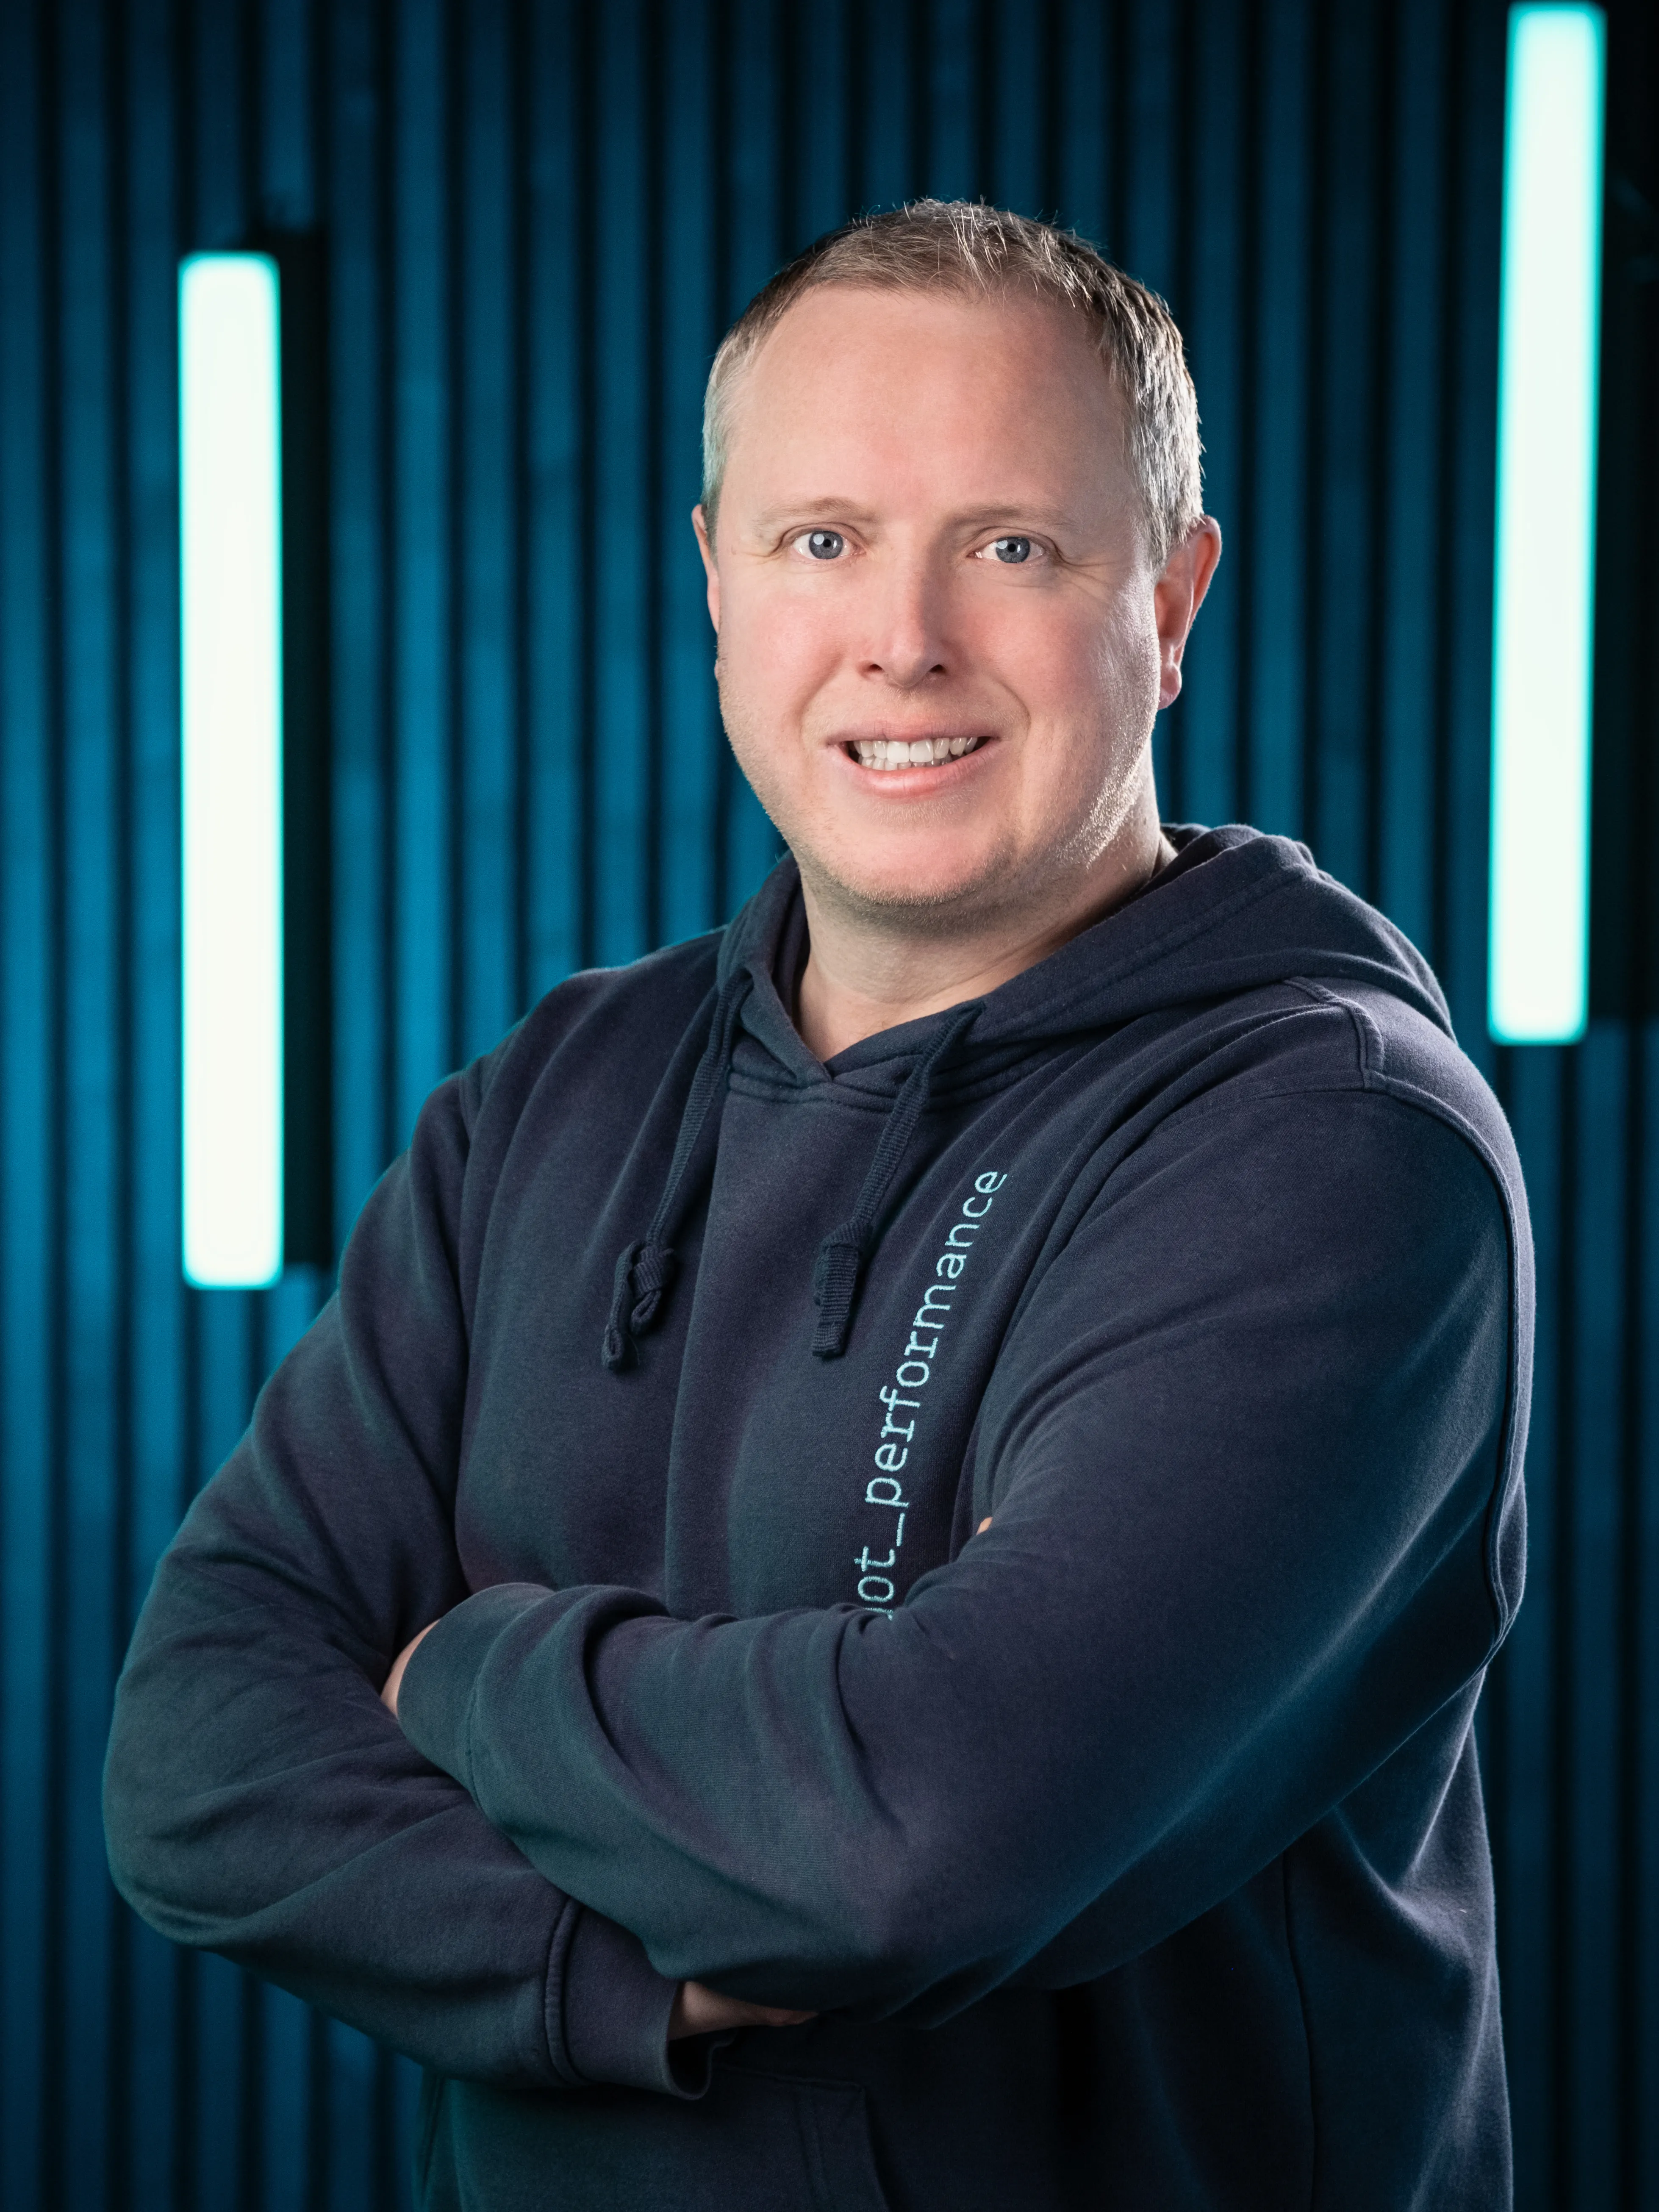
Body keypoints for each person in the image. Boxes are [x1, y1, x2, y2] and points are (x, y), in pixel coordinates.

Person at [106, 201, 1530, 2210]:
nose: (904, 638)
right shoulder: (552, 1096)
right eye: (823, 539)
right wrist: (652, 1971)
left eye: (1012, 545)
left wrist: (459, 1668)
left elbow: (922, 1837)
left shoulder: (1334, 1152)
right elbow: (195, 1764)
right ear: (715, 583)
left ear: (1176, 595)